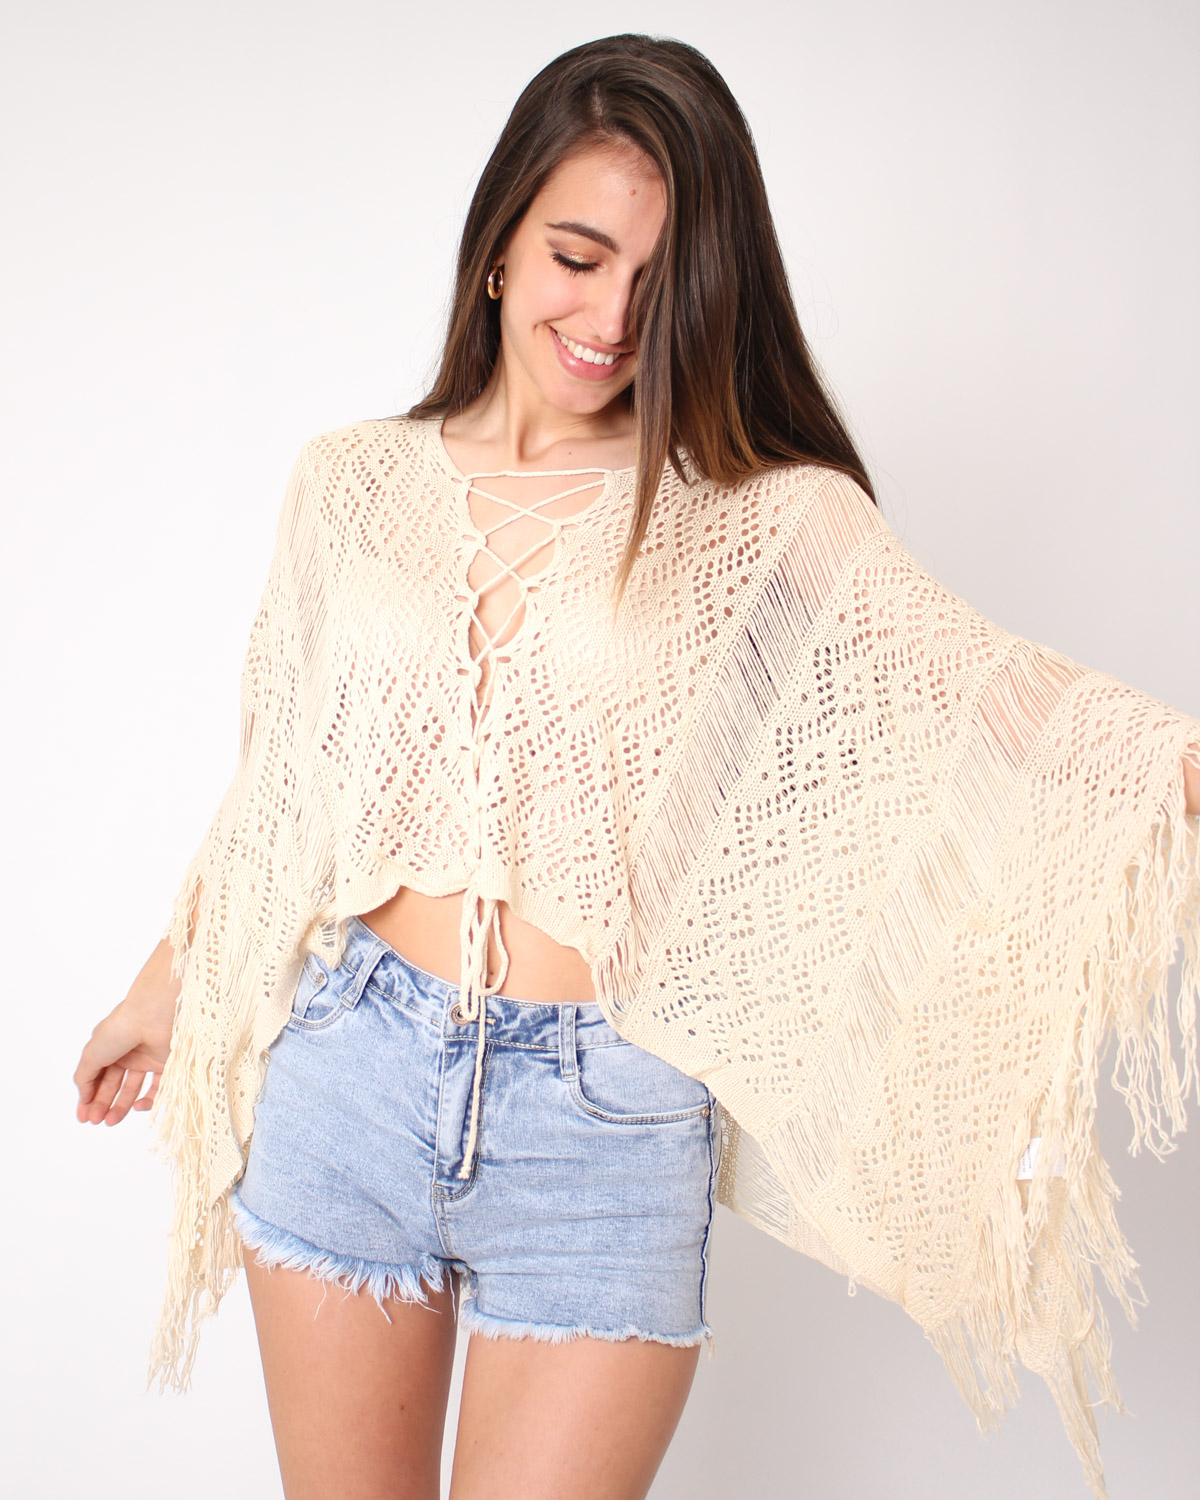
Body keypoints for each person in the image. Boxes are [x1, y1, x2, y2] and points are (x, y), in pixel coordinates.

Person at [73, 32, 1200, 1500]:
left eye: (659, 282)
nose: (610, 316)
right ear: (500, 248)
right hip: (350, 1069)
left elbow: (1003, 701)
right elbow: (285, 781)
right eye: (577, 256)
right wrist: (164, 984)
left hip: (602, 1116)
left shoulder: (762, 517)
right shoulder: (349, 483)